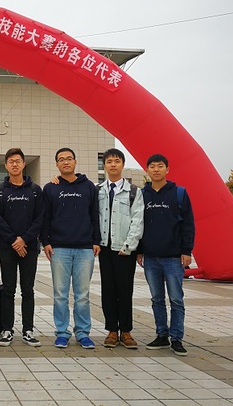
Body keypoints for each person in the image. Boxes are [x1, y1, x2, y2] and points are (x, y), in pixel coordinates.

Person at [41, 147, 100, 349]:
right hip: (59, 249)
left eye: (69, 158)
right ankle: (62, 332)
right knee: (60, 294)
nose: (66, 162)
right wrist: (46, 242)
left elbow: (95, 214)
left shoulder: (89, 187)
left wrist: (96, 240)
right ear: (57, 164)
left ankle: (83, 333)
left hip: (85, 248)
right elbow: (46, 217)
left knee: (82, 295)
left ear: (75, 162)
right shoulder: (51, 188)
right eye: (61, 159)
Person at [137, 153, 195, 356]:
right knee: (157, 299)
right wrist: (139, 250)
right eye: (152, 166)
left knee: (176, 299)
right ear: (147, 170)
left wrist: (186, 251)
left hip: (173, 257)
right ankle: (161, 335)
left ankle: (176, 338)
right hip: (150, 257)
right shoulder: (142, 195)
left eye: (160, 166)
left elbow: (188, 224)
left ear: (167, 169)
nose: (156, 169)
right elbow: (138, 224)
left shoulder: (179, 193)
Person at [0, 148, 44, 347]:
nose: (15, 164)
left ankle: (28, 330)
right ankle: (7, 330)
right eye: (11, 161)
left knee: (28, 290)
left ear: (23, 164)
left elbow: (40, 218)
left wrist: (24, 239)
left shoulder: (35, 190)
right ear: (6, 165)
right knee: (8, 289)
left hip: (29, 248)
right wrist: (14, 240)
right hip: (7, 247)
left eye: (18, 161)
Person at [96, 148, 144, 349]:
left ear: (122, 164)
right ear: (104, 166)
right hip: (105, 249)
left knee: (125, 290)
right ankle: (111, 331)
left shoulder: (133, 191)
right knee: (108, 290)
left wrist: (129, 245)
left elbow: (137, 220)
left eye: (117, 161)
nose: (113, 164)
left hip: (124, 249)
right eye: (109, 162)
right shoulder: (98, 190)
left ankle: (126, 331)